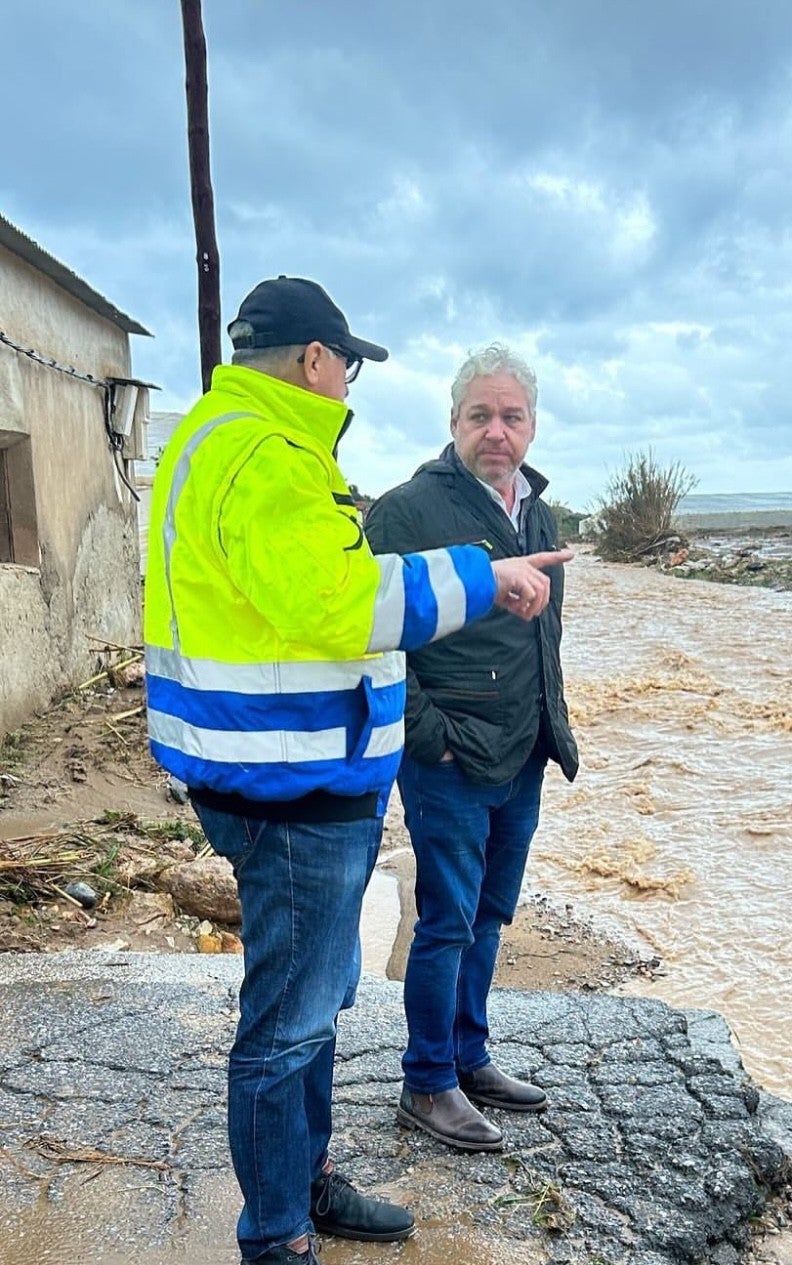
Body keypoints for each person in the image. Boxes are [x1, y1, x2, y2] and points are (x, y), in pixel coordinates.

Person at [143, 282, 571, 1265]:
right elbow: (338, 604)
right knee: (290, 1021)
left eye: (514, 416)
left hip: (284, 768)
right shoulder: (266, 452)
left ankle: (304, 1185)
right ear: (311, 360)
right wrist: (478, 577)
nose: (348, 382)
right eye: (347, 363)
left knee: (315, 1002)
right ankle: (277, 1233)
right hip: (287, 781)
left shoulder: (228, 438)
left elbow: (300, 601)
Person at [365, 343, 579, 1152]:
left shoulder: (538, 512)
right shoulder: (405, 511)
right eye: (480, 415)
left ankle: (469, 1055)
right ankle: (427, 1082)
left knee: (490, 913)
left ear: (531, 426)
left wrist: (550, 726)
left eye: (511, 416)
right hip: (451, 757)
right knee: (446, 920)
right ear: (453, 422)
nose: (497, 431)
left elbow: (544, 635)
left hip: (521, 750)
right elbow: (378, 639)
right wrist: (433, 740)